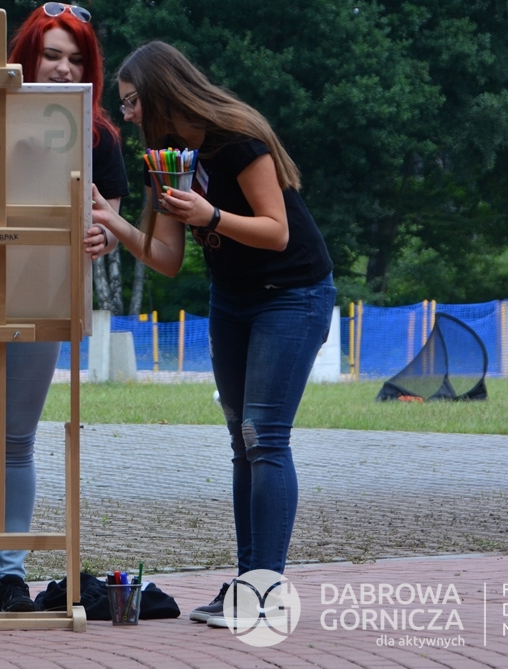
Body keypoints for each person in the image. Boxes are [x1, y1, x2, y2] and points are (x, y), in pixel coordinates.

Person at [92, 41, 335, 627]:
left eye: (132, 101)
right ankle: (246, 584)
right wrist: (113, 221)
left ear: (161, 93)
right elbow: (167, 258)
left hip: (292, 293)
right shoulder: (164, 159)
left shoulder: (236, 138)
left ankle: (264, 593)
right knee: (240, 440)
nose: (127, 114)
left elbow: (277, 231)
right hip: (232, 300)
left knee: (264, 437)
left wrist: (212, 216)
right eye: (124, 104)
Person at [0, 2, 129, 614]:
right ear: (25, 58)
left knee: (17, 438)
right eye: (52, 55)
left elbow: (110, 220)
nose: (65, 69)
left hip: (42, 290)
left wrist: (103, 235)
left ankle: (11, 576)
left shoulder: (97, 135)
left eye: (77, 59)